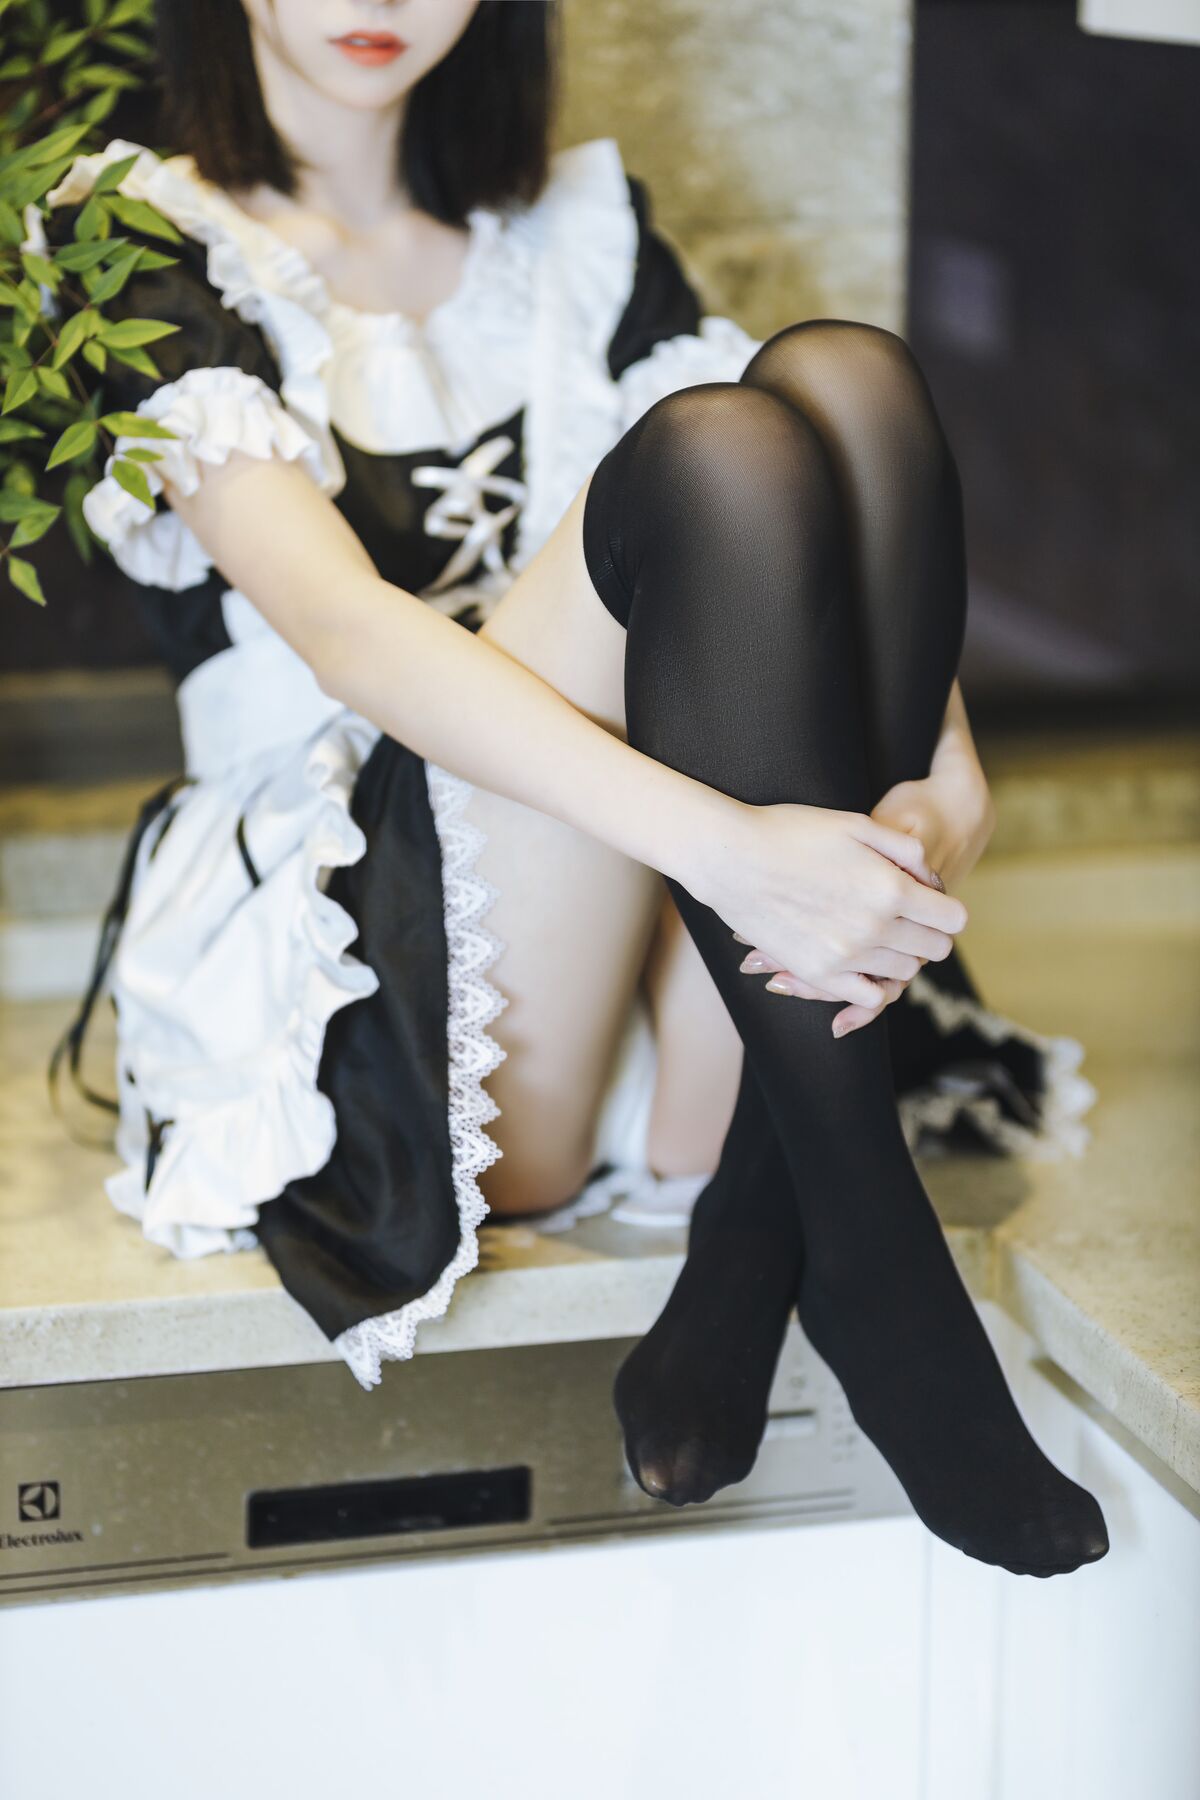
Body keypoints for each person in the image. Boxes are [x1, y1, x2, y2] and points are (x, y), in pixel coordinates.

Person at [40, 0, 1104, 1576]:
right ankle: (867, 1255)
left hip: (683, 948)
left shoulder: (571, 231)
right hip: (383, 938)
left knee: (847, 384)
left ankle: (757, 1222)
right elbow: (346, 635)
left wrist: (946, 784)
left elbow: (836, 555)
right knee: (714, 455)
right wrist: (734, 851)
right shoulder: (136, 239)